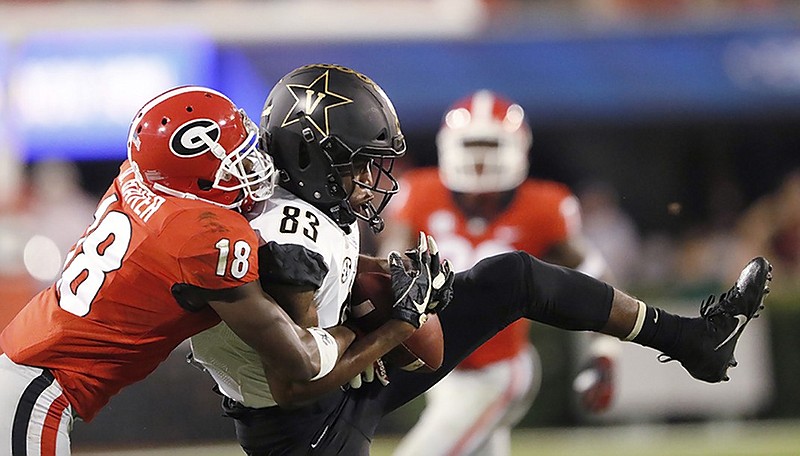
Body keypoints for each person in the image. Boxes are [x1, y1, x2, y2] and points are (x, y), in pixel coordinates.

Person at [190, 64, 772, 456]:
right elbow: (300, 380)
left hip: (343, 387)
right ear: (313, 160)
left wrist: (400, 283)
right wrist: (396, 325)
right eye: (358, 163)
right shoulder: (293, 235)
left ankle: (692, 338)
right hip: (306, 430)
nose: (371, 179)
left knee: (511, 276)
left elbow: (342, 293)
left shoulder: (313, 209)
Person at [0, 85, 423, 456]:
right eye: (235, 163)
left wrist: (372, 266)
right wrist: (385, 328)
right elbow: (299, 361)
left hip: (26, 371)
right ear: (196, 178)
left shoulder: (140, 176)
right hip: (37, 390)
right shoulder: (205, 237)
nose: (254, 168)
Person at [378, 89, 617, 456]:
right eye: (472, 145)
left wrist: (604, 350)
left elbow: (596, 275)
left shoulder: (544, 206)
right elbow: (387, 263)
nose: (479, 158)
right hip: (441, 370)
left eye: (491, 146)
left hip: (497, 370)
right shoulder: (420, 194)